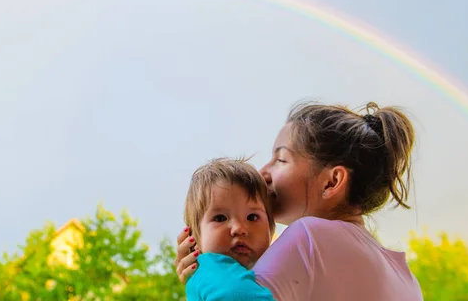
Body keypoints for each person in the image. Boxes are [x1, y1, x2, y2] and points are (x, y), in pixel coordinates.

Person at [175, 102, 424, 300]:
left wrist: (208, 270)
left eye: (281, 160)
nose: (263, 173)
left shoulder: (310, 237)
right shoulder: (405, 277)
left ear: (331, 181)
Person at [183, 157, 276, 300]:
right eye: (220, 218)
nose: (239, 229)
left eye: (252, 217)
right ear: (195, 237)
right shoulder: (217, 271)